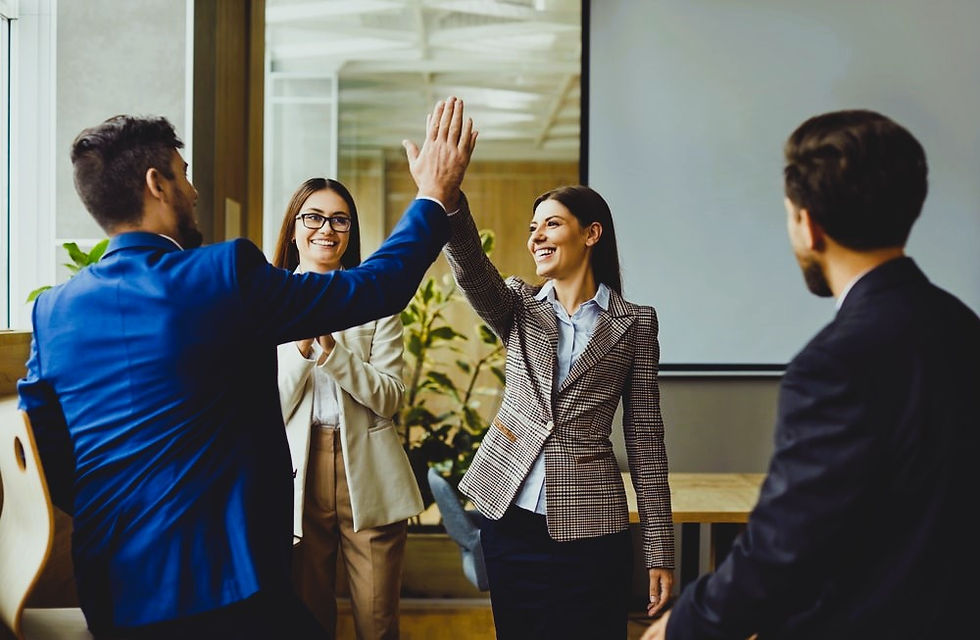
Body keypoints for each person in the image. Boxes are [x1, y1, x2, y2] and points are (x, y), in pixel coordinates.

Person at [17, 97, 476, 639]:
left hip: (110, 589)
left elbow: (47, 450)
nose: (194, 191)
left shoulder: (54, 310)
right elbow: (376, 286)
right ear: (156, 184)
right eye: (184, 176)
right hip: (224, 584)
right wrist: (432, 195)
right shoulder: (222, 274)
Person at [642, 110, 980, 640]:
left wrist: (682, 626)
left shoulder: (833, 364)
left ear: (808, 225)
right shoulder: (964, 327)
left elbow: (785, 549)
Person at [424, 183, 674, 638]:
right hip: (509, 518)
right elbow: (471, 268)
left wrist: (659, 551)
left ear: (592, 233)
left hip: (593, 526)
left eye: (552, 224)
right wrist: (449, 198)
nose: (536, 236)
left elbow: (645, 439)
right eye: (533, 227)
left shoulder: (636, 323)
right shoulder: (518, 305)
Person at [272, 177, 422, 639]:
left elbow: (391, 398)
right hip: (294, 473)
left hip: (369, 471)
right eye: (314, 217)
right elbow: (265, 408)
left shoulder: (375, 299)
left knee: (378, 620)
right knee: (307, 618)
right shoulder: (267, 300)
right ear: (294, 227)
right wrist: (301, 351)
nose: (327, 229)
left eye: (340, 219)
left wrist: (335, 356)